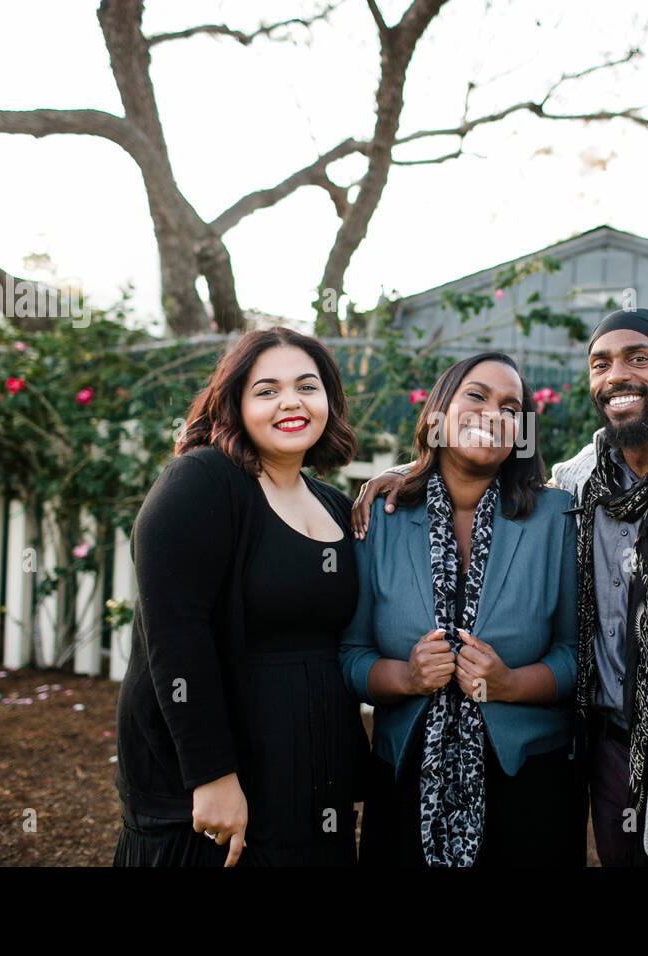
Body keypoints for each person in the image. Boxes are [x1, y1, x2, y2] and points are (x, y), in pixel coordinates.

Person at [352, 309, 648, 867]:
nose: (617, 374)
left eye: (637, 358)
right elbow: (475, 460)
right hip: (611, 763)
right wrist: (411, 472)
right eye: (602, 363)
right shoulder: (579, 484)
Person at [114, 327, 369, 867]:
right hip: (220, 779)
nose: (291, 402)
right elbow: (175, 634)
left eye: (307, 386)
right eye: (266, 390)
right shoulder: (203, 481)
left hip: (309, 778)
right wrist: (211, 775)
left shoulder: (333, 503)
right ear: (234, 404)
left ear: (329, 399)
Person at [339, 352, 582, 867]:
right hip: (405, 777)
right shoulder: (378, 518)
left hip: (530, 784)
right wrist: (405, 676)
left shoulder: (556, 517)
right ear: (436, 416)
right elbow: (351, 655)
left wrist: (512, 684)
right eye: (476, 395)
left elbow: (577, 654)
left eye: (511, 407)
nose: (494, 413)